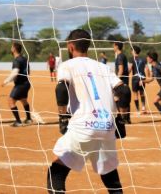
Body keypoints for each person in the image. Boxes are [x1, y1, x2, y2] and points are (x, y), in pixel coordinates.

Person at [47, 29, 131, 194]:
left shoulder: (67, 65)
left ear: (70, 47)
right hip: (107, 125)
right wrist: (121, 119)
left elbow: (61, 89)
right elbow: (124, 92)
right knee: (109, 174)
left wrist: (63, 118)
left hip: (83, 125)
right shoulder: (102, 67)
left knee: (56, 172)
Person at [1, 42, 32, 127]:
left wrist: (6, 81)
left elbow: (15, 73)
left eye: (12, 47)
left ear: (14, 49)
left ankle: (18, 121)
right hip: (26, 83)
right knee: (23, 100)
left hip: (21, 84)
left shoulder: (17, 60)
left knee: (11, 101)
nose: (11, 49)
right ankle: (29, 119)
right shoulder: (24, 59)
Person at [129, 45, 150, 115]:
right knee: (142, 93)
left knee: (135, 94)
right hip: (142, 78)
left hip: (135, 78)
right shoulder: (144, 59)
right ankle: (143, 108)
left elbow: (129, 68)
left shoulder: (132, 59)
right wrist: (147, 77)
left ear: (134, 51)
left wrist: (126, 73)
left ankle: (138, 110)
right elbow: (146, 68)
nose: (131, 52)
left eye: (132, 50)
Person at [113, 42, 130, 124]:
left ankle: (122, 118)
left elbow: (121, 69)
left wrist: (117, 80)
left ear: (116, 46)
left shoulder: (120, 56)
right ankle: (127, 119)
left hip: (121, 82)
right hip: (124, 81)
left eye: (113, 46)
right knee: (125, 99)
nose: (113, 47)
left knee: (116, 98)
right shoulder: (122, 55)